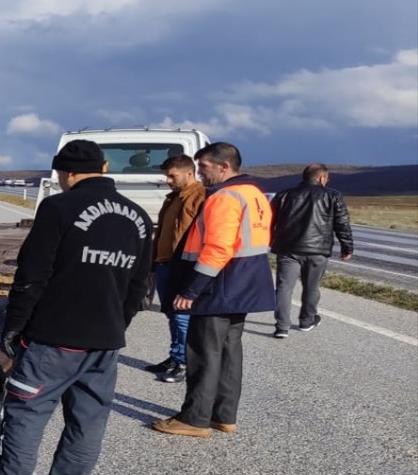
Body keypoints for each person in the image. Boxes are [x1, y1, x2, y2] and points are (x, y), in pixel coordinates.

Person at [0, 140, 152, 475]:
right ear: (105, 166)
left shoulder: (59, 206)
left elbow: (33, 275)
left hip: (55, 337)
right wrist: (116, 324)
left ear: (65, 172)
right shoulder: (138, 216)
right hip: (106, 341)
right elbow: (140, 286)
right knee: (87, 421)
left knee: (27, 415)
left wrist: (14, 325)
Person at [151, 142, 275, 439]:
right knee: (230, 352)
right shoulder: (255, 194)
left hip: (219, 285)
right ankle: (224, 415)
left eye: (204, 167)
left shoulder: (224, 197)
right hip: (243, 284)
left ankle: (194, 419)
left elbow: (217, 248)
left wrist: (191, 290)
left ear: (223, 166)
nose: (201, 174)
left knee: (204, 354)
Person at [270, 164, 353, 338]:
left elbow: (270, 221)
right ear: (322, 178)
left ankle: (281, 327)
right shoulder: (332, 195)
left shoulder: (284, 195)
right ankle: (307, 321)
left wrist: (270, 241)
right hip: (318, 250)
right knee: (312, 287)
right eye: (327, 178)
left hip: (288, 249)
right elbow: (342, 224)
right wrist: (347, 247)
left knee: (284, 288)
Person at [146, 155, 206, 383]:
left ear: (189, 173)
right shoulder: (173, 198)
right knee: (171, 314)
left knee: (182, 317)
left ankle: (184, 362)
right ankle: (175, 356)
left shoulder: (200, 197)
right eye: (167, 175)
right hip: (165, 263)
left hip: (183, 265)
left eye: (173, 175)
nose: (168, 180)